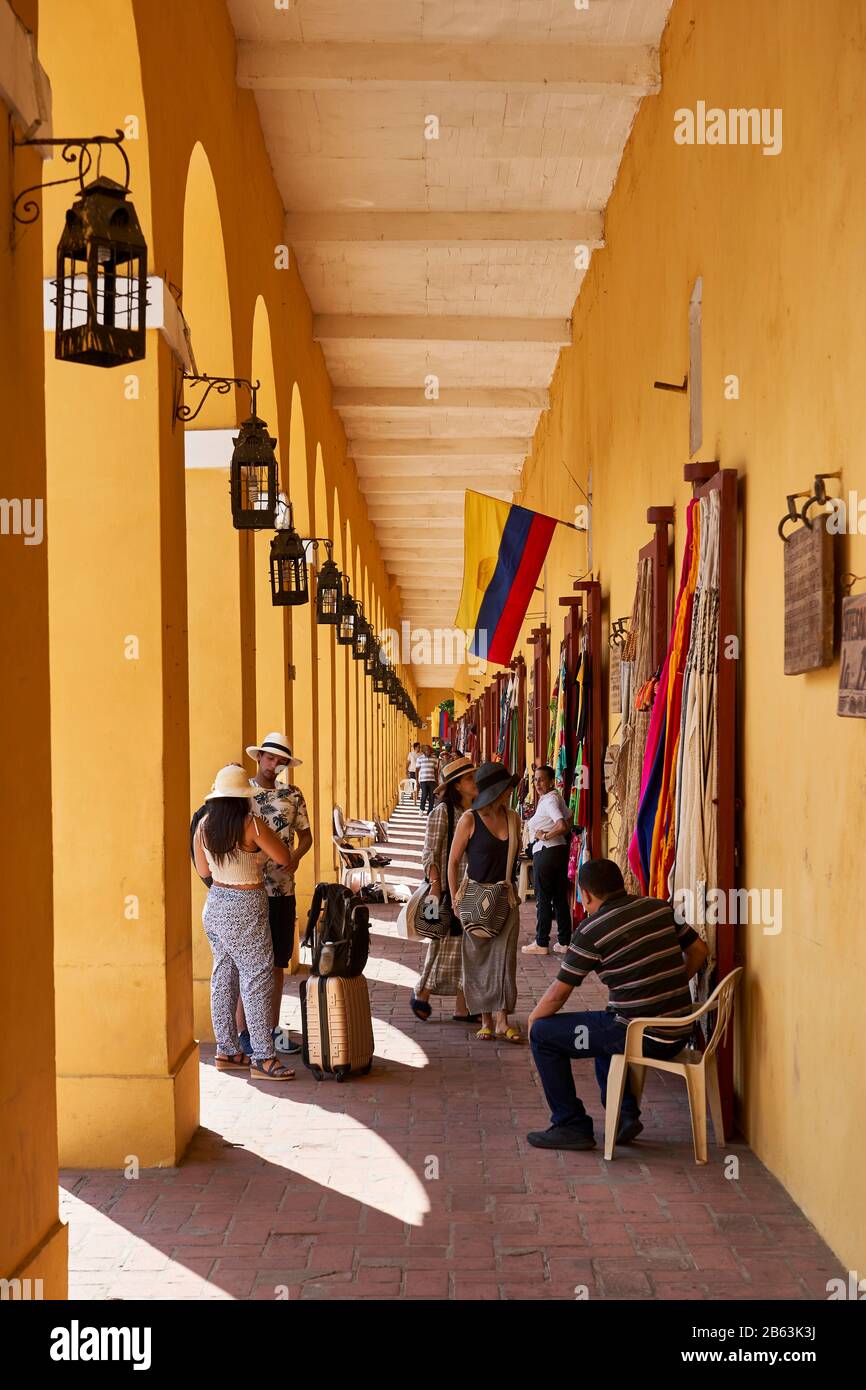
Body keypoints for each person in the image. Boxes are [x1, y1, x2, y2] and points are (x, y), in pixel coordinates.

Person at [526, 858, 708, 1150]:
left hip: (644, 1036)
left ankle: (570, 1124)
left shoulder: (591, 931)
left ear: (585, 895)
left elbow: (558, 995)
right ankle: (623, 1116)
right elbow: (699, 951)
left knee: (544, 1036)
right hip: (680, 1030)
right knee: (605, 1029)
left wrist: (533, 1021)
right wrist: (671, 985)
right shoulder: (660, 907)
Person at [192, 765, 297, 1081]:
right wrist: (257, 860)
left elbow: (204, 871)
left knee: (223, 975)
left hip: (216, 904)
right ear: (242, 798)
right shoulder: (251, 824)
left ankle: (227, 1050)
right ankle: (263, 1057)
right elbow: (284, 857)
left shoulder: (203, 827)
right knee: (258, 976)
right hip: (246, 903)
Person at [240, 732, 313, 1057]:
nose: (274, 764)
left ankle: (270, 1029)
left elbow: (306, 836)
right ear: (259, 757)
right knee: (250, 964)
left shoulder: (292, 794)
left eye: (280, 760)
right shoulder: (242, 793)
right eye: (269, 758)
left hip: (282, 889)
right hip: (248, 888)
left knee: (278, 962)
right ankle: (244, 1032)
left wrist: (294, 860)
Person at [448, 761, 523, 1043]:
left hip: (505, 899)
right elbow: (453, 862)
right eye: (506, 789)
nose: (510, 794)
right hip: (475, 899)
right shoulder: (470, 819)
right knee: (477, 959)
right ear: (495, 791)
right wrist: (456, 899)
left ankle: (503, 1019)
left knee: (505, 959)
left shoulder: (514, 819)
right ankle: (485, 1019)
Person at [410, 756, 480, 1025]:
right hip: (443, 891)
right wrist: (437, 888)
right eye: (470, 779)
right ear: (458, 785)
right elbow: (429, 852)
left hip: (469, 888)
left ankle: (463, 1006)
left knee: (467, 946)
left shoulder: (474, 812)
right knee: (439, 944)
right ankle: (422, 993)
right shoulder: (443, 812)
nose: (475, 783)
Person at [522, 765, 573, 956]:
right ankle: (564, 941)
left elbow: (561, 824)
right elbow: (569, 819)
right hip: (558, 851)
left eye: (542, 779)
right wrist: (557, 832)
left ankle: (541, 942)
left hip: (546, 851)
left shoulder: (549, 801)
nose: (537, 783)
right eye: (535, 779)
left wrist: (545, 836)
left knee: (543, 898)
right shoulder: (555, 797)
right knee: (559, 897)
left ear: (551, 781)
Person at [416, 744, 439, 815]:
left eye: (429, 749)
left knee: (432, 796)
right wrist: (417, 781)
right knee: (424, 794)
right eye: (426, 750)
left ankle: (430, 811)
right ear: (423, 751)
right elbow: (417, 770)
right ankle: (421, 809)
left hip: (432, 780)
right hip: (423, 780)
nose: (428, 751)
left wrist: (437, 779)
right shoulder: (420, 758)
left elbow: (436, 771)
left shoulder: (434, 758)